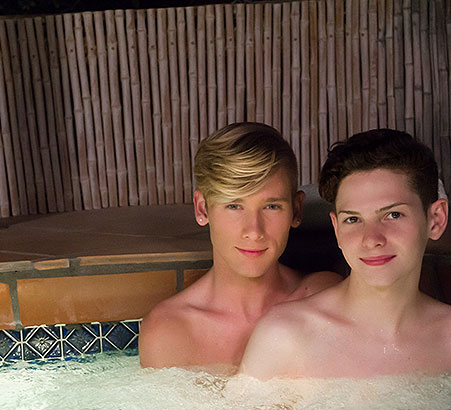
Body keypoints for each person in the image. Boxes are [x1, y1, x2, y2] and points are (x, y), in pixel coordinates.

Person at [239, 128, 451, 379]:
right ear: (337, 230)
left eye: (393, 215)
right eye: (353, 219)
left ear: (436, 219)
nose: (371, 239)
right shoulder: (286, 339)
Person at [138, 122, 342, 372]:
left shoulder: (323, 298)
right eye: (234, 206)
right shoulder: (169, 333)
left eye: (271, 206)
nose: (254, 231)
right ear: (202, 209)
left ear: (296, 209)